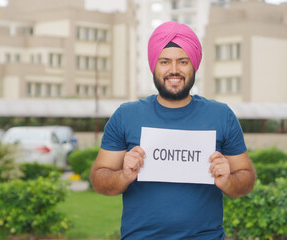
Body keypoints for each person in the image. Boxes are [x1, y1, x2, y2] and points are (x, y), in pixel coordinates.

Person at [90, 21, 256, 240]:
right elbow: (99, 179)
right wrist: (123, 175)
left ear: (193, 65)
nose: (174, 70)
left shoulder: (221, 115)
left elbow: (246, 178)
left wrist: (229, 181)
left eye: (183, 62)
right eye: (165, 62)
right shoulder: (126, 116)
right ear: (154, 66)